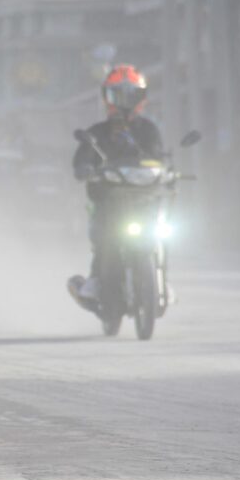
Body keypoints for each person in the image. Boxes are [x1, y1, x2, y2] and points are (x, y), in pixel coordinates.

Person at [69, 65, 164, 305]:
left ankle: (161, 280)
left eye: (131, 96)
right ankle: (95, 280)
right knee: (104, 238)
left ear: (141, 98)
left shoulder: (149, 130)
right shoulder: (97, 133)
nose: (124, 103)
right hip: (108, 202)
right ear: (107, 98)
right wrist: (84, 167)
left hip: (145, 199)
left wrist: (169, 172)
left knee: (162, 234)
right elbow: (83, 156)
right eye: (118, 96)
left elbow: (159, 158)